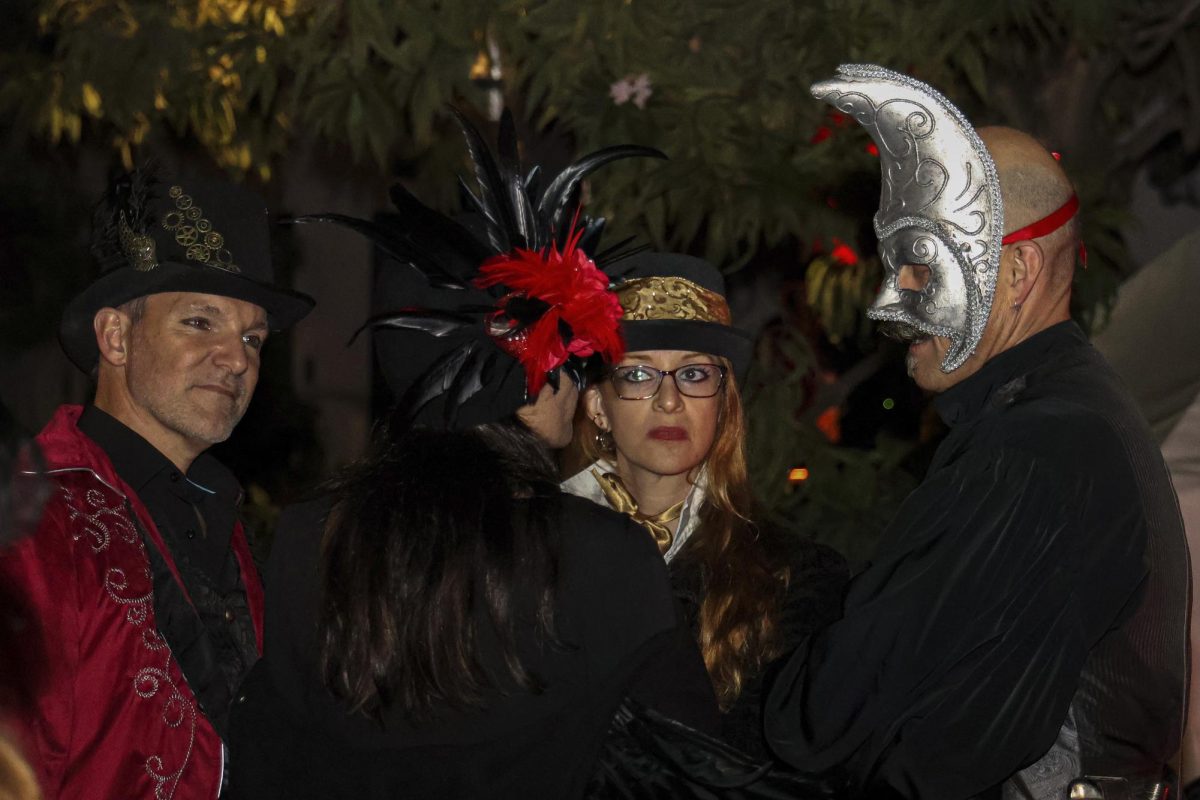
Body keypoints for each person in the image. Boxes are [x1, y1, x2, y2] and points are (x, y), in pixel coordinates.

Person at [226, 111, 720, 800]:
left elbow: (268, 760)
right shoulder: (607, 555)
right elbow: (688, 774)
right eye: (572, 361)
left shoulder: (313, 537)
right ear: (532, 373)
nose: (579, 389)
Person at [764, 64, 1188, 799]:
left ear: (1018, 271)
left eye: (921, 269)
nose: (888, 303)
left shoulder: (1036, 449)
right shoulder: (1064, 415)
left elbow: (834, 715)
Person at [0, 170, 314, 799]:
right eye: (201, 322)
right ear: (115, 337)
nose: (239, 358)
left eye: (252, 337)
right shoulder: (36, 515)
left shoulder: (222, 517)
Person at [562, 252, 848, 759]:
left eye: (694, 375)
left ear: (724, 404)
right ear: (597, 405)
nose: (669, 401)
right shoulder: (531, 549)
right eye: (637, 375)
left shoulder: (794, 575)